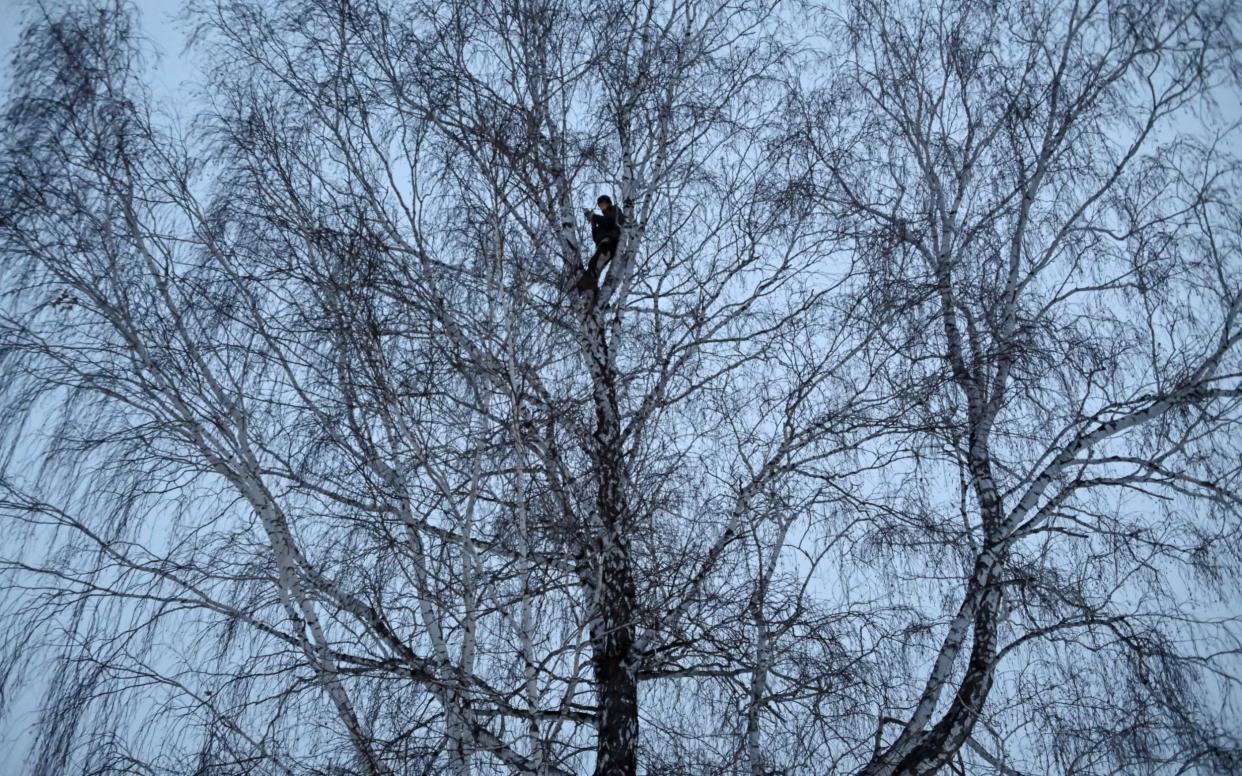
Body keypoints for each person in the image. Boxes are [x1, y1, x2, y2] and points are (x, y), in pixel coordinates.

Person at [577, 195, 625, 293]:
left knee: (595, 264)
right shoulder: (603, 220)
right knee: (594, 264)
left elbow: (611, 221)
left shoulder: (615, 210)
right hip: (603, 243)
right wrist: (593, 224)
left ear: (608, 203)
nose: (601, 206)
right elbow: (596, 238)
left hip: (609, 242)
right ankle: (592, 290)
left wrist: (594, 217)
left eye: (602, 203)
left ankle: (587, 284)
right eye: (599, 205)